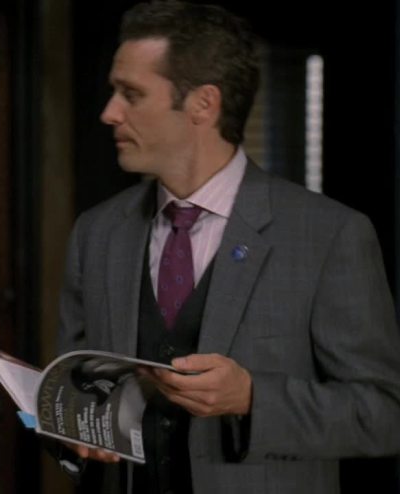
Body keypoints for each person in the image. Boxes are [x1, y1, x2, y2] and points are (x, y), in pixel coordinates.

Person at [56, 1, 400, 493]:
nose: (109, 113)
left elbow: (384, 414)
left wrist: (253, 399)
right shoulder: (96, 233)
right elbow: (73, 388)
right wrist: (73, 421)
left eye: (131, 94)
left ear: (203, 103)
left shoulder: (330, 236)